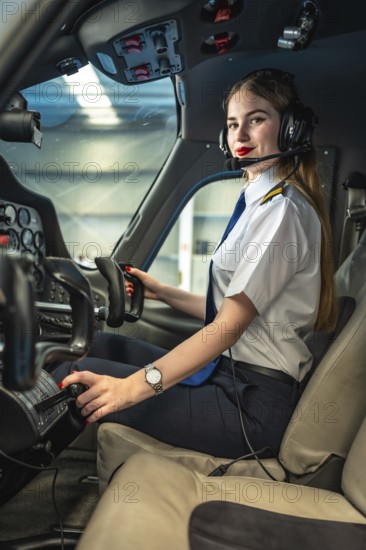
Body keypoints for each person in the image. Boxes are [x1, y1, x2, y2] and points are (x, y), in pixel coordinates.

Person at [51, 68, 337, 459]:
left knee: (73, 379)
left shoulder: (282, 211)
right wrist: (162, 292)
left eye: (256, 120)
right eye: (233, 124)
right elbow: (236, 304)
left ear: (290, 129)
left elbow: (226, 328)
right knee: (95, 346)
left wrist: (130, 389)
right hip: (231, 379)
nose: (240, 136)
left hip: (251, 408)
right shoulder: (263, 204)